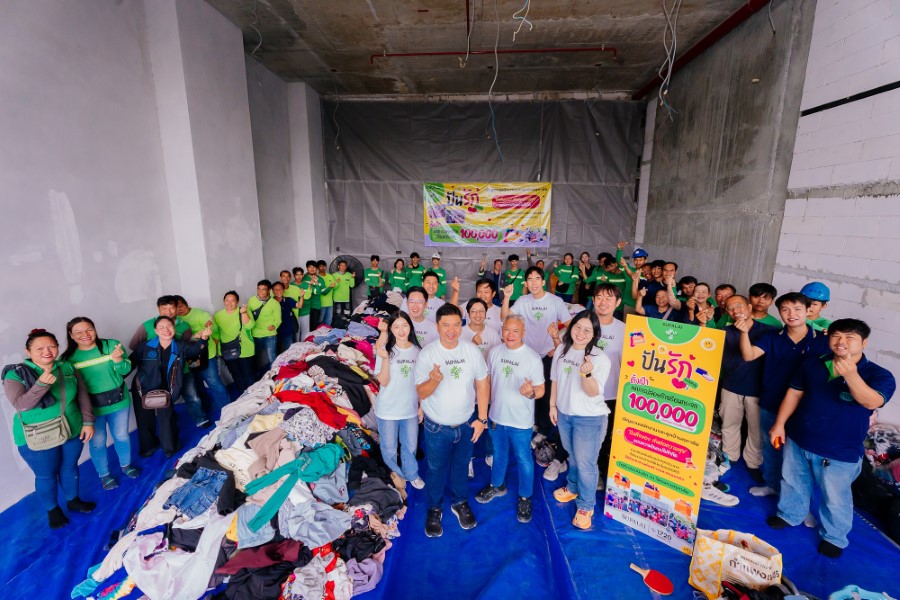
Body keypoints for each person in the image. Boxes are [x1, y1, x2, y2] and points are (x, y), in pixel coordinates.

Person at [767, 319, 895, 558]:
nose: (841, 342)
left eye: (850, 337)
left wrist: (852, 375)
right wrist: (779, 424)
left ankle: (834, 537)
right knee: (793, 480)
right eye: (836, 336)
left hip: (840, 450)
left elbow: (871, 402)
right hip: (799, 437)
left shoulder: (879, 375)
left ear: (864, 343)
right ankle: (790, 514)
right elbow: (794, 393)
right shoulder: (813, 363)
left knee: (835, 496)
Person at [738, 292, 830, 497]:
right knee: (772, 447)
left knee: (799, 455)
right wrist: (744, 333)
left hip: (806, 407)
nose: (791, 314)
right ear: (779, 313)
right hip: (772, 401)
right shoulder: (772, 337)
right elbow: (749, 355)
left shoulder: (823, 340)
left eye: (797, 309)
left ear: (808, 311)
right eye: (785, 310)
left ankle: (797, 499)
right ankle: (772, 484)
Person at [3, 329, 95, 528]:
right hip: (38, 436)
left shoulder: (66, 367)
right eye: (40, 348)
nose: (47, 351)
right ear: (28, 351)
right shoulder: (16, 374)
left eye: (52, 346)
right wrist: (41, 384)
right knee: (46, 475)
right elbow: (21, 405)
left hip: (72, 428)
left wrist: (88, 422)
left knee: (70, 467)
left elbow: (82, 395)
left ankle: (73, 500)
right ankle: (53, 510)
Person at [415, 304, 490, 538]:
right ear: (437, 326)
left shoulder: (471, 351)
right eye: (446, 325)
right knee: (435, 469)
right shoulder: (428, 354)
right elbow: (421, 392)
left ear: (461, 326)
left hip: (466, 425)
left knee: (461, 466)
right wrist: (434, 380)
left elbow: (482, 384)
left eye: (456, 325)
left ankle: (459, 502)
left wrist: (482, 419)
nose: (451, 330)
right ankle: (434, 508)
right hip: (437, 427)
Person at [476, 314, 546, 523]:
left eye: (516, 330)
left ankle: (525, 497)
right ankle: (497, 485)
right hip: (497, 416)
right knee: (499, 453)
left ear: (523, 332)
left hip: (520, 421)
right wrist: (484, 412)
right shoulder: (495, 352)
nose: (510, 334)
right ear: (502, 331)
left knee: (524, 458)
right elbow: (488, 382)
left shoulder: (532, 358)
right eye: (507, 329)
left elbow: (541, 389)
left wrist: (531, 392)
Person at [549, 310, 612, 530]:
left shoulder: (599, 358)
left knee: (586, 463)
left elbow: (593, 392)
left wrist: (586, 374)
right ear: (571, 327)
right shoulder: (562, 349)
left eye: (587, 329)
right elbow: (555, 379)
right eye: (577, 327)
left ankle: (586, 505)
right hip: (565, 414)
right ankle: (573, 487)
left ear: (594, 334)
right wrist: (553, 406)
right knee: (573, 456)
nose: (581, 333)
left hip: (589, 419)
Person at [61, 317, 140, 491]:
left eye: (89, 329)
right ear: (71, 335)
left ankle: (126, 465)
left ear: (95, 329)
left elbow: (126, 370)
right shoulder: (67, 359)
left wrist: (118, 360)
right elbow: (70, 388)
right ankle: (104, 475)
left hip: (119, 401)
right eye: (78, 332)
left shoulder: (111, 345)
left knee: (121, 435)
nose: (85, 334)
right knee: (97, 441)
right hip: (91, 408)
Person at [502, 266, 572, 437]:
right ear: (525, 283)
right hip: (527, 356)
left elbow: (570, 325)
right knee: (527, 389)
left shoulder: (555, 301)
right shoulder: (523, 300)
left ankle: (544, 430)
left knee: (545, 393)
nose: (533, 283)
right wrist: (506, 298)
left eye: (537, 279)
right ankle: (530, 423)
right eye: (530, 279)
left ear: (543, 281)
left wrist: (558, 344)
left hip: (548, 355)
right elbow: (505, 318)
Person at [130, 316, 209, 459]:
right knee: (144, 420)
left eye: (169, 326)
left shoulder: (180, 346)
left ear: (174, 328)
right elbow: (129, 365)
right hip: (143, 389)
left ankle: (170, 448)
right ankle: (148, 447)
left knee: (167, 419)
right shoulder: (144, 347)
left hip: (166, 389)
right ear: (155, 331)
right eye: (161, 327)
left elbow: (196, 350)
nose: (166, 330)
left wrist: (204, 339)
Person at [718, 295, 776, 484]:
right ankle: (729, 457)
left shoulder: (768, 331)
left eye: (739, 306)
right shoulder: (724, 332)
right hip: (731, 386)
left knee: (756, 430)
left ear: (749, 307)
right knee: (729, 425)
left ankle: (753, 463)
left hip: (758, 389)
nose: (736, 310)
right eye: (730, 308)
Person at [129, 295, 208, 428]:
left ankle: (200, 419)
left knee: (192, 395)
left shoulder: (184, 326)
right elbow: (135, 346)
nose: (168, 312)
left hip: (181, 369)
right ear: (158, 309)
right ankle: (170, 421)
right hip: (158, 373)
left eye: (171, 308)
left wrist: (201, 339)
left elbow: (188, 347)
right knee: (164, 399)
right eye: (164, 309)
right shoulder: (147, 326)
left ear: (177, 308)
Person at [373, 312, 425, 491]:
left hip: (409, 408)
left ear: (410, 327)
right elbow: (383, 381)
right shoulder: (384, 349)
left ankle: (411, 474)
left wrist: (421, 407)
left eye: (404, 326)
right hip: (387, 408)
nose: (401, 330)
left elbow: (420, 382)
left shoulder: (418, 351)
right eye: (396, 327)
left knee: (410, 445)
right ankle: (397, 477)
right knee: (388, 448)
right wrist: (386, 359)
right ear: (391, 329)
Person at [590, 284, 626, 488]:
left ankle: (601, 472)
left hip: (611, 393)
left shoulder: (625, 330)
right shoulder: (584, 324)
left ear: (618, 302)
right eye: (599, 297)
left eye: (608, 298)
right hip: (585, 391)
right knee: (585, 435)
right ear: (593, 300)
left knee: (605, 436)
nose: (603, 302)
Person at [175, 296, 231, 417]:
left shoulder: (200, 314)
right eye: (176, 308)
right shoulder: (176, 320)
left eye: (181, 306)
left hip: (206, 354)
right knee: (197, 382)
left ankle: (227, 409)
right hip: (191, 356)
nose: (179, 310)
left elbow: (214, 328)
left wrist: (210, 326)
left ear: (186, 304)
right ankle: (205, 407)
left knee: (213, 382)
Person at [214, 291, 255, 393]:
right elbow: (217, 334)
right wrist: (218, 350)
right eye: (227, 300)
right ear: (223, 301)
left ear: (237, 301)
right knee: (236, 374)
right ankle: (243, 395)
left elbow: (250, 326)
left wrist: (244, 313)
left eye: (232, 300)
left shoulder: (243, 311)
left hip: (245, 348)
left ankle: (254, 395)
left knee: (248, 374)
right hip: (227, 350)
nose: (229, 303)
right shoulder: (218, 315)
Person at [248, 279, 281, 375]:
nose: (260, 291)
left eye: (263, 289)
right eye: (258, 289)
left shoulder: (275, 303)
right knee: (256, 357)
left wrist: (274, 326)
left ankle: (275, 375)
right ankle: (257, 377)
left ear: (269, 290)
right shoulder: (251, 300)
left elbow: (278, 319)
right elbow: (249, 317)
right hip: (255, 334)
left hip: (269, 335)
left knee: (272, 357)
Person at [272, 282, 298, 355]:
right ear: (272, 291)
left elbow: (299, 305)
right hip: (275, 332)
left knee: (288, 352)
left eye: (280, 289)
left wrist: (302, 296)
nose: (278, 291)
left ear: (283, 290)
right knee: (276, 353)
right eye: (276, 289)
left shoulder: (288, 300)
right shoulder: (270, 302)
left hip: (288, 331)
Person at [292, 267, 312, 340]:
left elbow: (307, 296)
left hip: (305, 311)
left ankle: (304, 346)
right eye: (297, 275)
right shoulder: (291, 285)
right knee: (296, 332)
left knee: (305, 332)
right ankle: (297, 346)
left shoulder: (307, 285)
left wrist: (310, 286)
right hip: (295, 313)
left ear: (303, 275)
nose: (299, 277)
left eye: (300, 274)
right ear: (294, 275)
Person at [317, 260, 336, 327]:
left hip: (330, 302)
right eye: (320, 266)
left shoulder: (330, 276)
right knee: (320, 320)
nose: (323, 268)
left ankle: (327, 331)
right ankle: (320, 331)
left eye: (324, 266)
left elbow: (334, 287)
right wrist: (330, 287)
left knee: (329, 319)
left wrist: (336, 284)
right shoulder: (317, 278)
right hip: (321, 303)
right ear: (318, 268)